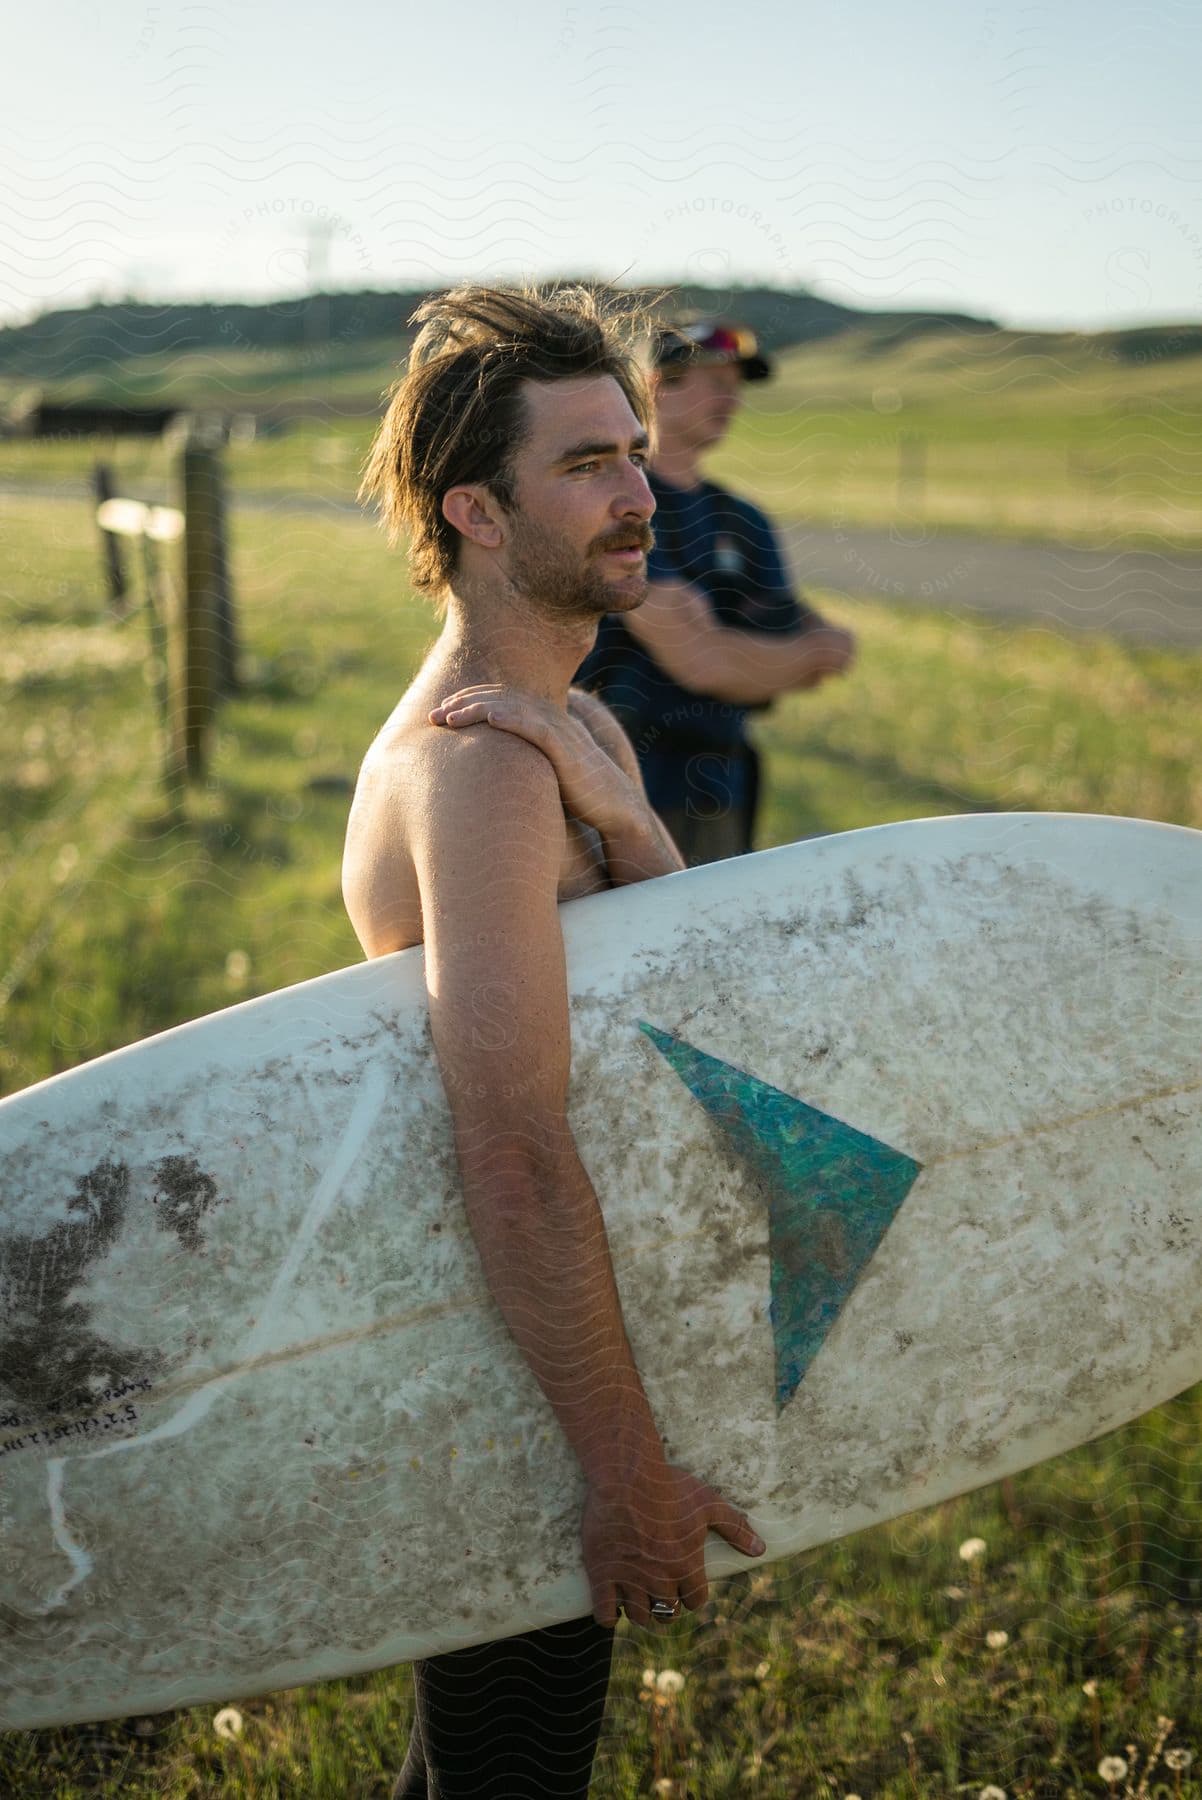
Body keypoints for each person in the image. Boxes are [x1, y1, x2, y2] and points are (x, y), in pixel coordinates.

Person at [344, 284, 769, 1800]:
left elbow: (668, 1018)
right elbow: (510, 1145)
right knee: (502, 1769)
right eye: (587, 462)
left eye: (633, 451)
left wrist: (638, 832)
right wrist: (618, 1468)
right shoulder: (482, 767)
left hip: (559, 1323)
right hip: (514, 1364)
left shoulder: (567, 731)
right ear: (472, 507)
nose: (639, 492)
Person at [575, 316, 856, 864]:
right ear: (657, 384)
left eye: (737, 387)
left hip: (723, 785)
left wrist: (750, 648)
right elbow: (702, 662)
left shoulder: (744, 520)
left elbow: (829, 647)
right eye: (716, 382)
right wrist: (780, 656)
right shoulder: (615, 504)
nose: (732, 399)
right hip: (621, 784)